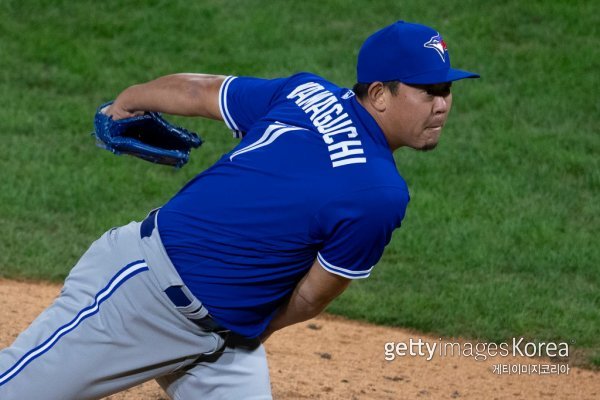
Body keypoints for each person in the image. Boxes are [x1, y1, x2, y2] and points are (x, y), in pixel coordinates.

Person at [0, 20, 478, 399]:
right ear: (378, 93)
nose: (442, 105)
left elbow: (199, 91)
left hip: (223, 344)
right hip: (141, 296)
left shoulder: (307, 94)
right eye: (428, 91)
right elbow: (309, 299)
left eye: (447, 90)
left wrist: (125, 103)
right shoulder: (378, 193)